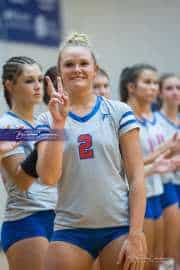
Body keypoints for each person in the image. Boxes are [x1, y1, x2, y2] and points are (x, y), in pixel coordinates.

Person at [35, 32, 147, 270]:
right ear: (59, 72)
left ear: (95, 69)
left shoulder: (119, 111)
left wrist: (136, 234)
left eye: (84, 63)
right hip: (70, 228)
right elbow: (48, 177)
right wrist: (58, 125)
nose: (77, 69)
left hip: (118, 227)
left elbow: (137, 177)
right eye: (69, 64)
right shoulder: (46, 119)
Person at [0, 56, 57, 270]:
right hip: (27, 220)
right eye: (28, 80)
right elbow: (22, 181)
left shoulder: (45, 121)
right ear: (9, 85)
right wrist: (44, 140)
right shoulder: (7, 126)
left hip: (59, 217)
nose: (37, 86)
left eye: (40, 79)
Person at [119, 64, 168, 270]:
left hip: (156, 191)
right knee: (141, 262)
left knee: (157, 258)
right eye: (147, 82)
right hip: (135, 197)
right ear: (131, 87)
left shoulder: (151, 119)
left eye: (156, 83)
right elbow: (124, 165)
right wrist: (156, 159)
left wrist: (170, 152)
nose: (154, 88)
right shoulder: (124, 117)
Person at [155, 73, 180, 266]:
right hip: (165, 184)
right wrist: (172, 154)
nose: (175, 92)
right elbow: (152, 156)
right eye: (169, 88)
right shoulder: (154, 121)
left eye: (178, 88)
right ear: (160, 93)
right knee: (167, 247)